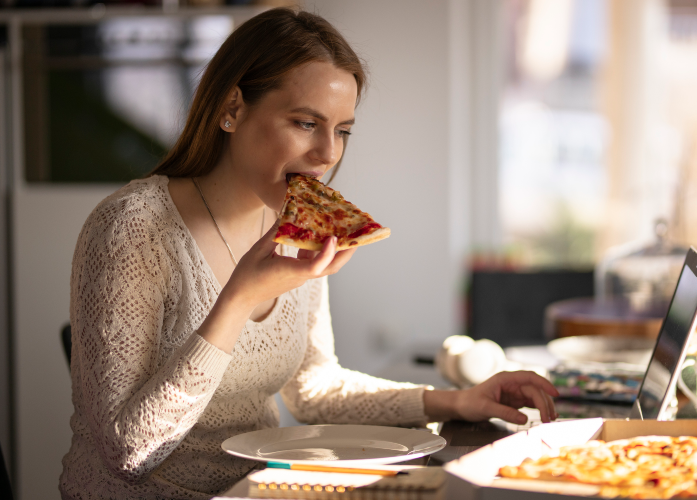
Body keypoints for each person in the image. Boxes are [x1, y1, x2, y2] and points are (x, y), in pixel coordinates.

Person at [59, 8, 557, 499]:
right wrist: (236, 301)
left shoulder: (300, 224)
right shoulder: (132, 229)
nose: (328, 154)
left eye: (342, 130)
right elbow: (128, 454)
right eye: (304, 123)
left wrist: (459, 400)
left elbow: (314, 389)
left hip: (258, 490)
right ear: (231, 109)